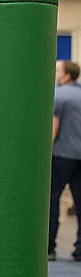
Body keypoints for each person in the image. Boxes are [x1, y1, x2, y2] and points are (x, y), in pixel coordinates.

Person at [49, 59, 81, 261]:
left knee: (51, 201)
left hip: (61, 157)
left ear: (67, 75)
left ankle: (49, 248)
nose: (56, 74)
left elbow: (53, 130)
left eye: (58, 70)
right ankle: (79, 250)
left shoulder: (58, 96)